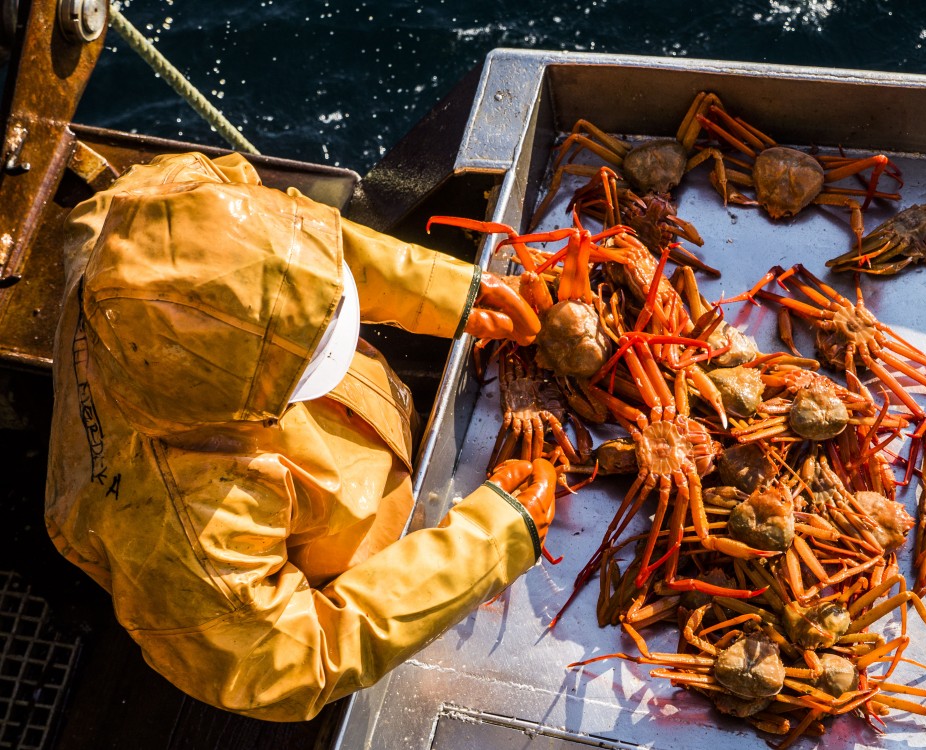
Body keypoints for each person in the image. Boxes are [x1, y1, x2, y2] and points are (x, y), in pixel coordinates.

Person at [44, 151, 557, 721]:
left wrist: (443, 289)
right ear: (231, 417)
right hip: (292, 552)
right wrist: (489, 541)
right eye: (306, 366)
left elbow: (287, 246)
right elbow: (296, 659)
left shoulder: (141, 211)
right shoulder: (186, 540)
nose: (339, 324)